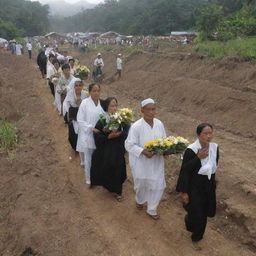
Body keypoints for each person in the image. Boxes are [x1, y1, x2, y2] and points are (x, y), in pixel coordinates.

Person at [176, 123, 219, 251]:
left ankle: (198, 234)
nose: (209, 136)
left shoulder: (215, 148)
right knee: (196, 213)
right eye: (205, 133)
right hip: (194, 186)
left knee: (204, 211)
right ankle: (193, 230)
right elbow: (185, 170)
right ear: (199, 135)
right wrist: (198, 158)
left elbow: (214, 166)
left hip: (208, 186)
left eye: (210, 133)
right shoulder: (191, 150)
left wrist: (213, 184)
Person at [125, 98, 166, 220]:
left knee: (158, 184)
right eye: (148, 109)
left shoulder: (159, 124)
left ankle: (152, 209)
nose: (151, 112)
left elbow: (164, 140)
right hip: (141, 161)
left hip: (156, 160)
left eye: (153, 109)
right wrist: (143, 151)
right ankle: (140, 200)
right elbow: (129, 144)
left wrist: (166, 151)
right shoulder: (136, 126)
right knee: (141, 183)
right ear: (142, 110)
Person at [90, 97, 129, 201]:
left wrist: (120, 134)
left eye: (116, 105)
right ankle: (108, 186)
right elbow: (97, 135)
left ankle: (118, 191)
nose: (114, 108)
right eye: (112, 105)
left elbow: (127, 131)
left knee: (118, 167)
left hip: (118, 149)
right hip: (106, 150)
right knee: (108, 167)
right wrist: (108, 136)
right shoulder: (102, 119)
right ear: (106, 107)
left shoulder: (122, 119)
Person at [76, 83, 104, 185]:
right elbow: (80, 120)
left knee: (98, 157)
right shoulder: (84, 103)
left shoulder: (102, 104)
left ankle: (97, 177)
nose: (96, 93)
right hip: (88, 135)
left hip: (99, 136)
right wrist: (91, 128)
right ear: (89, 92)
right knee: (88, 159)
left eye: (98, 91)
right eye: (94, 91)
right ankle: (89, 179)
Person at [63, 78, 87, 151]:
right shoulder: (70, 93)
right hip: (73, 114)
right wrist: (75, 103)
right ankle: (75, 147)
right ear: (74, 86)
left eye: (80, 85)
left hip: (82, 114)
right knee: (74, 132)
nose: (78, 87)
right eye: (76, 85)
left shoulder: (84, 93)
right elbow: (66, 103)